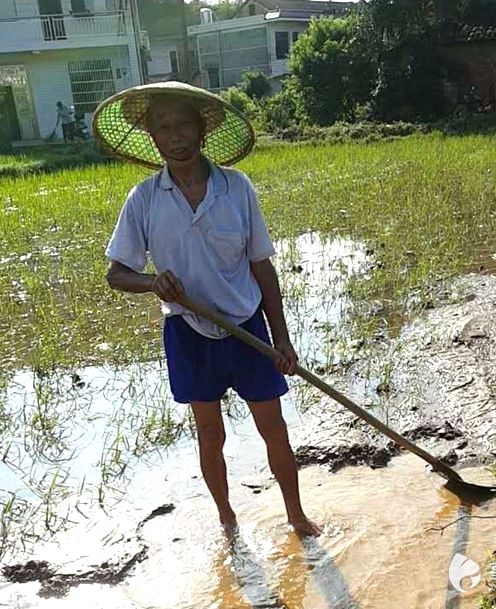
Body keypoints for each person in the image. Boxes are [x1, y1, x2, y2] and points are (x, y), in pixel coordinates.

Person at [94, 82, 322, 537]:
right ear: (153, 138)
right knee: (210, 433)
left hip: (246, 326)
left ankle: (296, 515)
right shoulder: (144, 199)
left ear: (203, 130)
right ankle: (226, 519)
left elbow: (263, 268)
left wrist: (283, 340)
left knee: (273, 426)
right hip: (189, 332)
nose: (175, 136)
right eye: (163, 128)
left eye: (183, 125)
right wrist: (152, 282)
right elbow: (117, 273)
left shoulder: (235, 188)